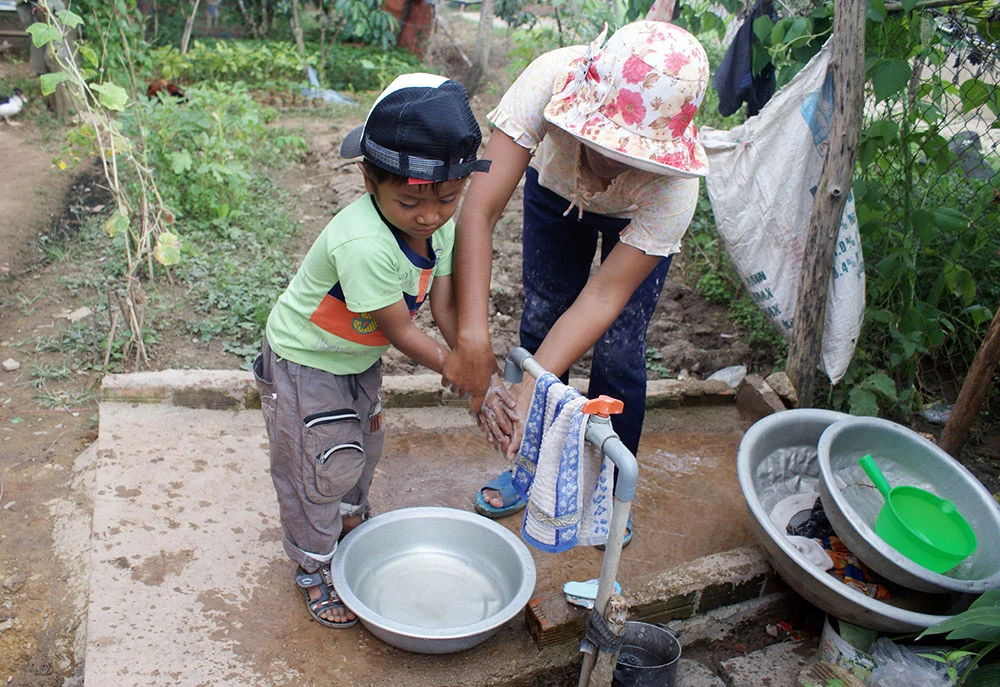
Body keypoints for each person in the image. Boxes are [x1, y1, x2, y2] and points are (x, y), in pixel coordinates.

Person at [442, 21, 710, 537]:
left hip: (637, 221)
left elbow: (605, 293)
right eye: (604, 144)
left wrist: (534, 381)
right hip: (555, 190)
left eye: (628, 154)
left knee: (620, 350)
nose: (610, 162)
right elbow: (478, 211)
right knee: (544, 313)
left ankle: (610, 490)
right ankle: (533, 464)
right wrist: (472, 336)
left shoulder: (676, 189)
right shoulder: (551, 79)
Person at [253, 73, 491, 628]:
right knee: (320, 462)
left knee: (363, 448)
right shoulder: (363, 242)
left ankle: (346, 524)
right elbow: (401, 333)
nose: (430, 216)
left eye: (448, 200)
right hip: (303, 361)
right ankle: (313, 567)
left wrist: (475, 361)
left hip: (354, 360)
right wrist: (458, 368)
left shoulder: (441, 230)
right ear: (368, 179)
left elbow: (448, 310)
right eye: (410, 202)